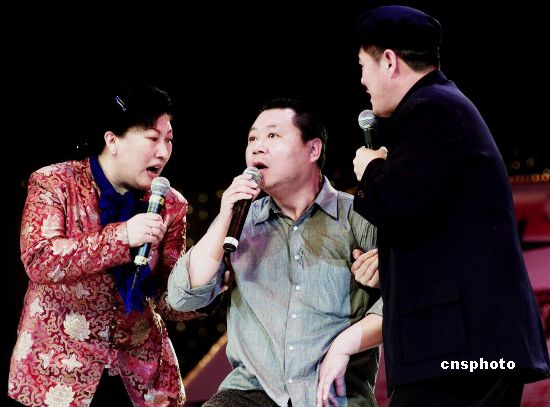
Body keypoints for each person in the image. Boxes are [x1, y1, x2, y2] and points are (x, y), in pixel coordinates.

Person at [350, 5, 550, 406]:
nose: (362, 81)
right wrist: (389, 265)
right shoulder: (440, 107)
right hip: (464, 346)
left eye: (362, 66)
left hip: (461, 349)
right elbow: (438, 224)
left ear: (389, 61)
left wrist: (371, 169)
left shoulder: (431, 110)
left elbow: (396, 204)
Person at [167, 98, 383, 407]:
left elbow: (411, 292)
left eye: (272, 135)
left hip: (334, 392)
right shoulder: (240, 223)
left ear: (313, 149)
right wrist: (225, 215)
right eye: (252, 139)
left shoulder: (357, 216)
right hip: (250, 394)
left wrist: (346, 343)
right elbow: (182, 296)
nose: (257, 147)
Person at [8, 84, 202, 407]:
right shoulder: (56, 183)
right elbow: (40, 259)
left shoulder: (170, 205)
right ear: (112, 141)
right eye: (153, 138)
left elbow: (167, 300)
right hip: (59, 373)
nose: (163, 151)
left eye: (169, 140)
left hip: (141, 379)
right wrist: (123, 236)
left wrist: (205, 285)